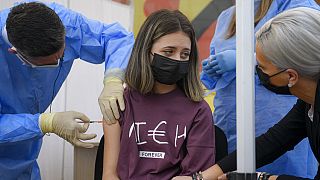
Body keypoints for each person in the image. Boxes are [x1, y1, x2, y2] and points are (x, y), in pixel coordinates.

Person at [173, 7, 320, 180]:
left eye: (262, 68)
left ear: (291, 76)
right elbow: (274, 141)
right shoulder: (308, 103)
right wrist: (200, 178)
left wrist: (263, 178)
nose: (258, 72)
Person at [0, 1, 133, 180]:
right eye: (51, 63)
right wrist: (46, 122)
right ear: (15, 52)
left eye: (62, 55)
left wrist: (114, 79)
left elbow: (116, 38)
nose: (60, 62)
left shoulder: (63, 23)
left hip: (25, 161)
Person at [102, 9, 215, 180]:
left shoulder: (199, 111)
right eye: (168, 52)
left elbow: (194, 176)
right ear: (146, 52)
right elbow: (109, 175)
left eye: (185, 54)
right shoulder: (119, 103)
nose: (177, 59)